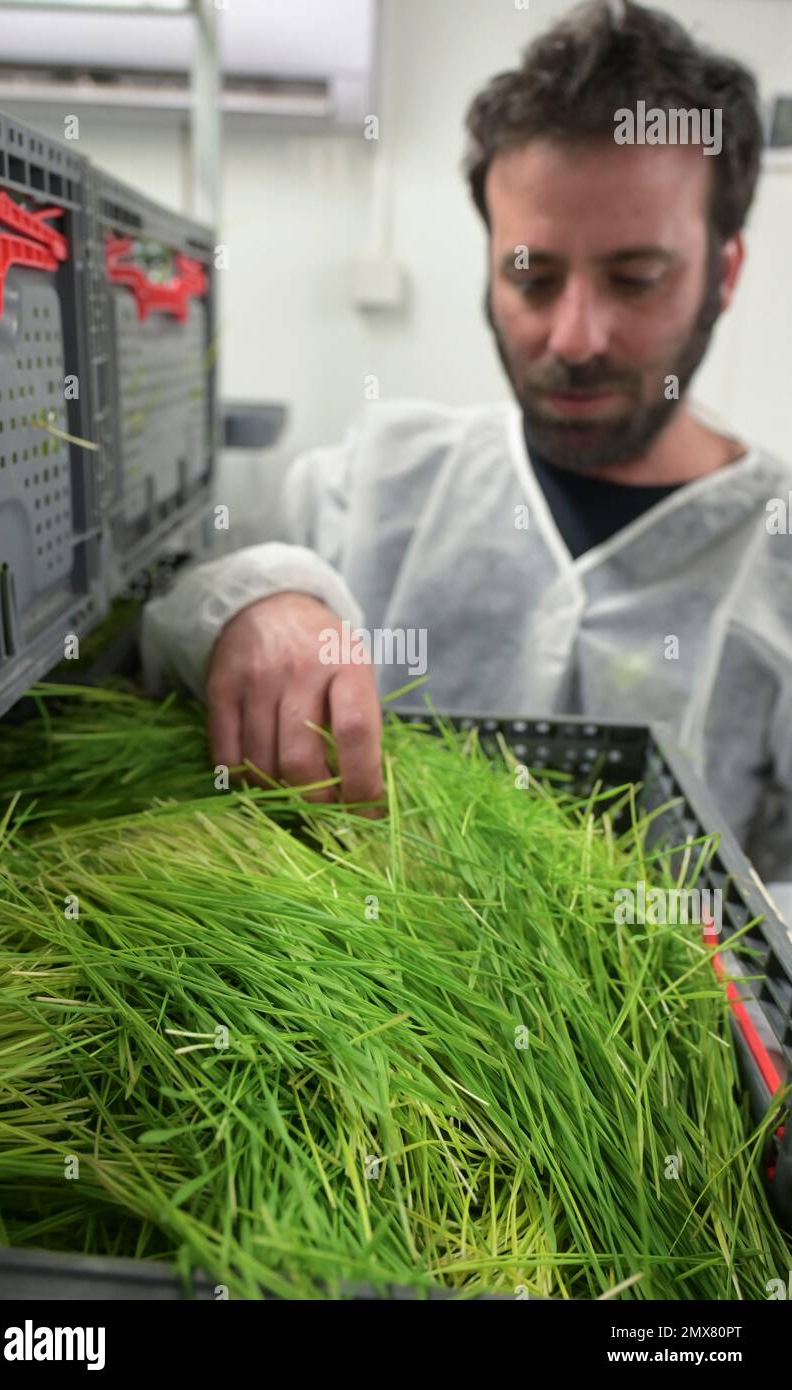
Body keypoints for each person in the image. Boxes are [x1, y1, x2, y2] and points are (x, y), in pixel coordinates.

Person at [141, 0, 792, 896]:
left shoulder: (776, 557)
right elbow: (163, 599)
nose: (575, 336)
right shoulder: (380, 479)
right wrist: (253, 607)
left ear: (723, 273)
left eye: (635, 278)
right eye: (534, 275)